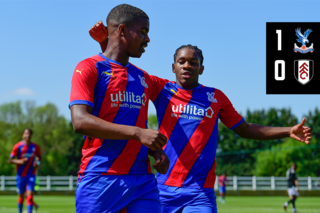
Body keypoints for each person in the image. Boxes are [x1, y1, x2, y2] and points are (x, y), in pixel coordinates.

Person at [90, 23, 312, 213]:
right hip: (163, 188)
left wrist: (288, 130)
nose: (187, 65)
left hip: (200, 192)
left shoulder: (215, 97)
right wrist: (105, 45)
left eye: (193, 62)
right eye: (182, 61)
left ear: (202, 68)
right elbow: (124, 73)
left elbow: (245, 129)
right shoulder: (161, 89)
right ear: (173, 67)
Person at [70, 4, 170, 213]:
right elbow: (80, 121)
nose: (147, 39)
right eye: (143, 32)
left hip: (142, 180)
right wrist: (137, 133)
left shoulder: (144, 78)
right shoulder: (88, 68)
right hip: (101, 177)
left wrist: (155, 150)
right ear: (122, 30)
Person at [9, 129, 41, 213]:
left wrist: (37, 162)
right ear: (23, 135)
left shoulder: (35, 147)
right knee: (21, 197)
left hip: (31, 174)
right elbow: (10, 160)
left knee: (30, 197)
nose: (27, 136)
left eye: (29, 134)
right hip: (20, 175)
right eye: (26, 134)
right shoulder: (17, 146)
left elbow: (39, 157)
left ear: (31, 136)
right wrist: (20, 161)